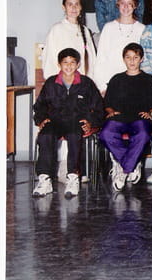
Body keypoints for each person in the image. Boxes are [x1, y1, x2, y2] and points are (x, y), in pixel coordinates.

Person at [32, 48, 103, 198]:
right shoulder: (51, 83)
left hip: (77, 121)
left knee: (74, 135)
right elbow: (39, 106)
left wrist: (90, 121)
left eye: (72, 62)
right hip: (56, 120)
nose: (69, 66)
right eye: (65, 62)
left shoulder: (86, 83)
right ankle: (45, 179)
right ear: (59, 64)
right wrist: (41, 119)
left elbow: (99, 108)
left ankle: (73, 177)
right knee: (45, 135)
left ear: (78, 64)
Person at [100, 43, 152, 191]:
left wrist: (151, 113)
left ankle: (124, 170)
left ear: (141, 59)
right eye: (128, 57)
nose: (132, 61)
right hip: (119, 117)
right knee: (105, 134)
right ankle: (132, 164)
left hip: (140, 118)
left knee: (143, 135)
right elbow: (107, 103)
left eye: (135, 57)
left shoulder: (149, 79)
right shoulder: (116, 79)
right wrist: (110, 111)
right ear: (124, 59)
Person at [94, 0, 146, 94]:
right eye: (122, 3)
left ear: (135, 5)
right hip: (111, 84)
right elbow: (101, 59)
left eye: (129, 3)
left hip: (135, 84)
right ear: (118, 4)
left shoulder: (142, 29)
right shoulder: (108, 28)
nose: (126, 7)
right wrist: (102, 86)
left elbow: (145, 60)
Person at [42, 0, 97, 79]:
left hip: (82, 82)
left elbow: (92, 60)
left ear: (81, 7)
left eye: (77, 4)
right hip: (62, 82)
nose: (74, 8)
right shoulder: (56, 29)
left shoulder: (85, 31)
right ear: (64, 7)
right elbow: (49, 59)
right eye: (70, 4)